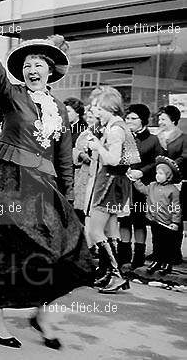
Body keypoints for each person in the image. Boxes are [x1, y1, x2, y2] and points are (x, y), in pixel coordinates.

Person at [0, 0, 93, 350]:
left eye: (40, 64)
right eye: (27, 64)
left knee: (64, 248)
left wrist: (69, 198)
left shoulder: (60, 110)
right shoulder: (12, 96)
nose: (33, 68)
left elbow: (65, 157)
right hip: (9, 182)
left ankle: (43, 312)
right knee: (3, 252)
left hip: (47, 188)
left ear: (51, 72)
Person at [84, 86, 138, 293]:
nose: (95, 111)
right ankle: (109, 273)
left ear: (110, 108)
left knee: (94, 230)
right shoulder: (118, 126)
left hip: (109, 180)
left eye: (99, 107)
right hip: (117, 182)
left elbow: (113, 160)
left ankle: (116, 275)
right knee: (110, 229)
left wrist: (97, 146)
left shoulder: (115, 129)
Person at [121, 104, 165, 269]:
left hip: (142, 186)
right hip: (124, 185)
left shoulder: (152, 139)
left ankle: (138, 256)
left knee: (139, 221)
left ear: (143, 120)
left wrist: (142, 172)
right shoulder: (123, 136)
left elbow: (158, 161)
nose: (129, 121)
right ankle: (123, 254)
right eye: (128, 118)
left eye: (134, 118)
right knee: (124, 220)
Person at [130, 156, 182, 275]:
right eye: (157, 173)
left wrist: (175, 222)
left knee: (167, 244)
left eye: (161, 173)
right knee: (156, 241)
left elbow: (176, 207)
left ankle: (167, 263)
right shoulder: (152, 185)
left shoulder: (173, 190)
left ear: (168, 175)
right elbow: (143, 189)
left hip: (167, 223)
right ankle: (157, 261)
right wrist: (135, 181)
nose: (157, 175)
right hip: (154, 221)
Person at [156, 105, 186, 265]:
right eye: (159, 119)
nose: (160, 122)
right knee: (159, 216)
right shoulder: (158, 136)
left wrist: (170, 166)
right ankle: (159, 253)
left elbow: (184, 157)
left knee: (175, 217)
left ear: (173, 120)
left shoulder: (183, 138)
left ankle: (174, 253)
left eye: (163, 119)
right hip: (159, 183)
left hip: (176, 182)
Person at [72, 108, 100, 224]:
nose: (88, 120)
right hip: (83, 174)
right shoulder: (84, 133)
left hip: (97, 175)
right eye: (87, 117)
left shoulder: (104, 133)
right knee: (81, 209)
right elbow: (75, 149)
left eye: (91, 118)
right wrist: (81, 154)